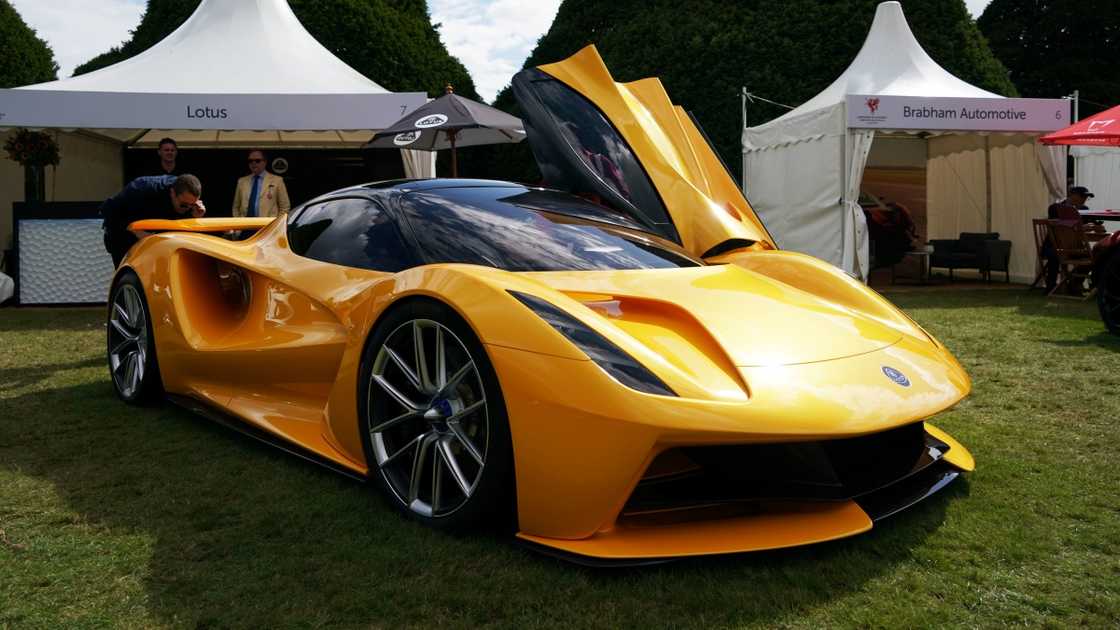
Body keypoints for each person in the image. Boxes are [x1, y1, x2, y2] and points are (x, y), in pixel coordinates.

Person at [100, 174, 206, 267]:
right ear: (172, 192)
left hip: (153, 236)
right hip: (121, 232)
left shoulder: (185, 198)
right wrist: (135, 230)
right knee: (129, 274)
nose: (187, 208)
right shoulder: (143, 189)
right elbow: (109, 211)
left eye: (191, 205)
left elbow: (181, 224)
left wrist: (195, 217)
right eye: (184, 205)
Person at [1043, 186, 1096, 293]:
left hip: (1073, 247)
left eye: (1086, 197)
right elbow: (1058, 227)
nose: (1084, 199)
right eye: (1082, 196)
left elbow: (1090, 225)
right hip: (1055, 245)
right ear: (1072, 195)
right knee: (1055, 254)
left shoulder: (1084, 210)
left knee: (1094, 257)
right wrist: (1080, 227)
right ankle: (1051, 287)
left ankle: (1073, 284)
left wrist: (1096, 226)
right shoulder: (1055, 208)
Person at [232, 149, 290, 218]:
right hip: (245, 225)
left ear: (265, 162)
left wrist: (275, 225)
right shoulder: (242, 181)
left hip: (268, 226)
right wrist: (238, 224)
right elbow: (236, 207)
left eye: (257, 161)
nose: (253, 163)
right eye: (250, 161)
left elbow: (285, 207)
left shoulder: (277, 181)